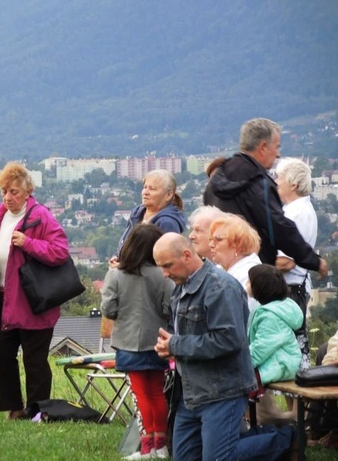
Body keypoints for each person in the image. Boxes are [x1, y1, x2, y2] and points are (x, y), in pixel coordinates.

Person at [153, 233, 295, 461]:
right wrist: (168, 344)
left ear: (187, 255)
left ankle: (287, 438)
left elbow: (228, 340)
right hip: (191, 392)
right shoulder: (181, 286)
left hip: (223, 390)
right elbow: (183, 333)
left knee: (220, 458)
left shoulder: (220, 287)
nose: (164, 273)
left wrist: (177, 344)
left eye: (167, 265)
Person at [0, 162, 70, 420]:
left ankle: (38, 411)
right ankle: (14, 407)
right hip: (4, 299)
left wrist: (28, 243)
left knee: (35, 360)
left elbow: (60, 251)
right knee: (0, 352)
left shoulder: (41, 217)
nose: (8, 197)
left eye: (14, 192)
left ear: (28, 191)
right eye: (4, 191)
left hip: (34, 300)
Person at [204, 117, 327, 278]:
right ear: (262, 147)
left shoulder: (214, 182)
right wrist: (314, 261)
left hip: (219, 273)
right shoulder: (259, 184)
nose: (278, 154)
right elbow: (279, 228)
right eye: (276, 147)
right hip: (255, 274)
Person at [101, 224, 174, 459]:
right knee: (157, 393)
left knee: (141, 395)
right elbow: (169, 307)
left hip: (128, 342)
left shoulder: (116, 274)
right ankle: (161, 446)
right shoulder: (162, 275)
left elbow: (109, 309)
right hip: (157, 341)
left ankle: (146, 447)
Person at [275, 157, 317, 369]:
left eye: (279, 177)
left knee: (292, 350)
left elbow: (286, 262)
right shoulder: (299, 209)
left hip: (291, 289)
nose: (276, 182)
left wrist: (256, 265)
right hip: (295, 287)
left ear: (293, 183)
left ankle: (298, 401)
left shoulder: (296, 213)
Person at [112, 169, 185, 266]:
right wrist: (117, 257)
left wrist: (124, 267)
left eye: (152, 189)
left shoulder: (167, 223)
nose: (145, 192)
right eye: (145, 187)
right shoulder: (137, 213)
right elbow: (125, 244)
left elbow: (165, 263)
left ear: (168, 195)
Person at [247, 264, 302, 387]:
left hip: (281, 365)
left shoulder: (271, 317)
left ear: (260, 288)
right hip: (274, 362)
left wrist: (241, 363)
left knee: (239, 383)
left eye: (250, 282)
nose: (247, 284)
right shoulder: (266, 310)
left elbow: (261, 348)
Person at [208, 215, 262, 311]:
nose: (211, 245)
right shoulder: (220, 270)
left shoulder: (249, 275)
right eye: (211, 239)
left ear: (238, 244)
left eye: (219, 239)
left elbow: (246, 316)